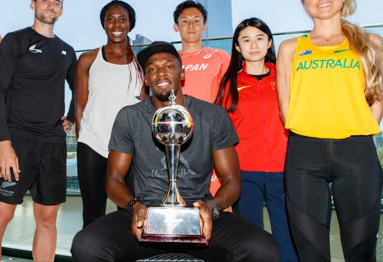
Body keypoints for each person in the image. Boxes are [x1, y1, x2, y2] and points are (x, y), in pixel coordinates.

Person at [71, 41, 280, 262]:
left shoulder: (212, 115)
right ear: (145, 78)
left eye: (169, 66)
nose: (160, 73)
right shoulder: (129, 117)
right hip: (145, 214)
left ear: (182, 73)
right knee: (87, 246)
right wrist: (135, 207)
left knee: (263, 249)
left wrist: (211, 208)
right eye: (152, 68)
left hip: (199, 214)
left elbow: (232, 180)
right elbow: (113, 179)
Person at [277, 0, 383, 262]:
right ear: (305, 3)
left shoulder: (371, 43)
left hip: (356, 153)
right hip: (303, 155)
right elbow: (286, 107)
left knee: (361, 253)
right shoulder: (289, 48)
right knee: (311, 255)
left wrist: (356, 127)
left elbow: (376, 101)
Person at [0, 0, 76, 261]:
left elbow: (81, 88)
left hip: (53, 145)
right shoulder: (15, 40)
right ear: (33, 4)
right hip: (15, 142)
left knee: (47, 219)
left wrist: (71, 117)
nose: (50, 6)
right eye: (45, 0)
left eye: (56, 2)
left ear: (62, 10)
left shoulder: (67, 51)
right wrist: (4, 143)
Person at [215, 18, 297, 261]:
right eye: (246, 40)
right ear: (238, 47)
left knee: (288, 238)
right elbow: (221, 131)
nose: (254, 45)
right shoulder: (230, 83)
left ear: (269, 42)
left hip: (284, 170)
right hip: (244, 173)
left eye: (260, 38)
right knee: (251, 240)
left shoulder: (285, 77)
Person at [75, 0, 146, 227]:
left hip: (128, 150)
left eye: (122, 19)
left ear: (130, 24)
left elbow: (145, 110)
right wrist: (81, 138)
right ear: (103, 24)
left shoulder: (141, 65)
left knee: (129, 215)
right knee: (92, 216)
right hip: (92, 146)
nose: (116, 24)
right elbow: (79, 107)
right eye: (110, 19)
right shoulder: (87, 60)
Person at [173, 0, 231, 196]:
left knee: (217, 201)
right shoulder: (170, 62)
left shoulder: (220, 57)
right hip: (176, 138)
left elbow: (229, 99)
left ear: (205, 26)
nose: (191, 26)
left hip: (211, 137)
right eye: (185, 21)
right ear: (176, 26)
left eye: (196, 21)